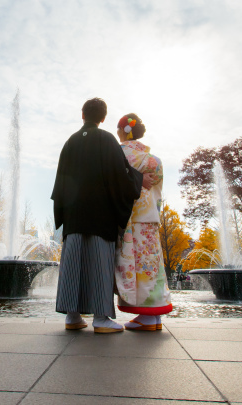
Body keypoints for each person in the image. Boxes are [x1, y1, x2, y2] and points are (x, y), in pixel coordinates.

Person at [52, 98, 155, 333]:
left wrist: (64, 212)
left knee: (74, 264)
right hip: (100, 214)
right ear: (103, 118)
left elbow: (59, 181)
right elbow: (121, 175)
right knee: (99, 264)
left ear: (82, 115)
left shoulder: (70, 142)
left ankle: (72, 316)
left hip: (75, 215)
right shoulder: (107, 139)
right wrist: (139, 181)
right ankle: (100, 318)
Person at [114, 113, 172, 331]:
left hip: (133, 217)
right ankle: (155, 316)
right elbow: (154, 179)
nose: (117, 133)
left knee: (136, 264)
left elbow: (114, 176)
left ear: (124, 131)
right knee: (153, 265)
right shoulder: (152, 159)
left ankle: (147, 316)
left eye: (118, 129)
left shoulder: (121, 154)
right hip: (150, 217)